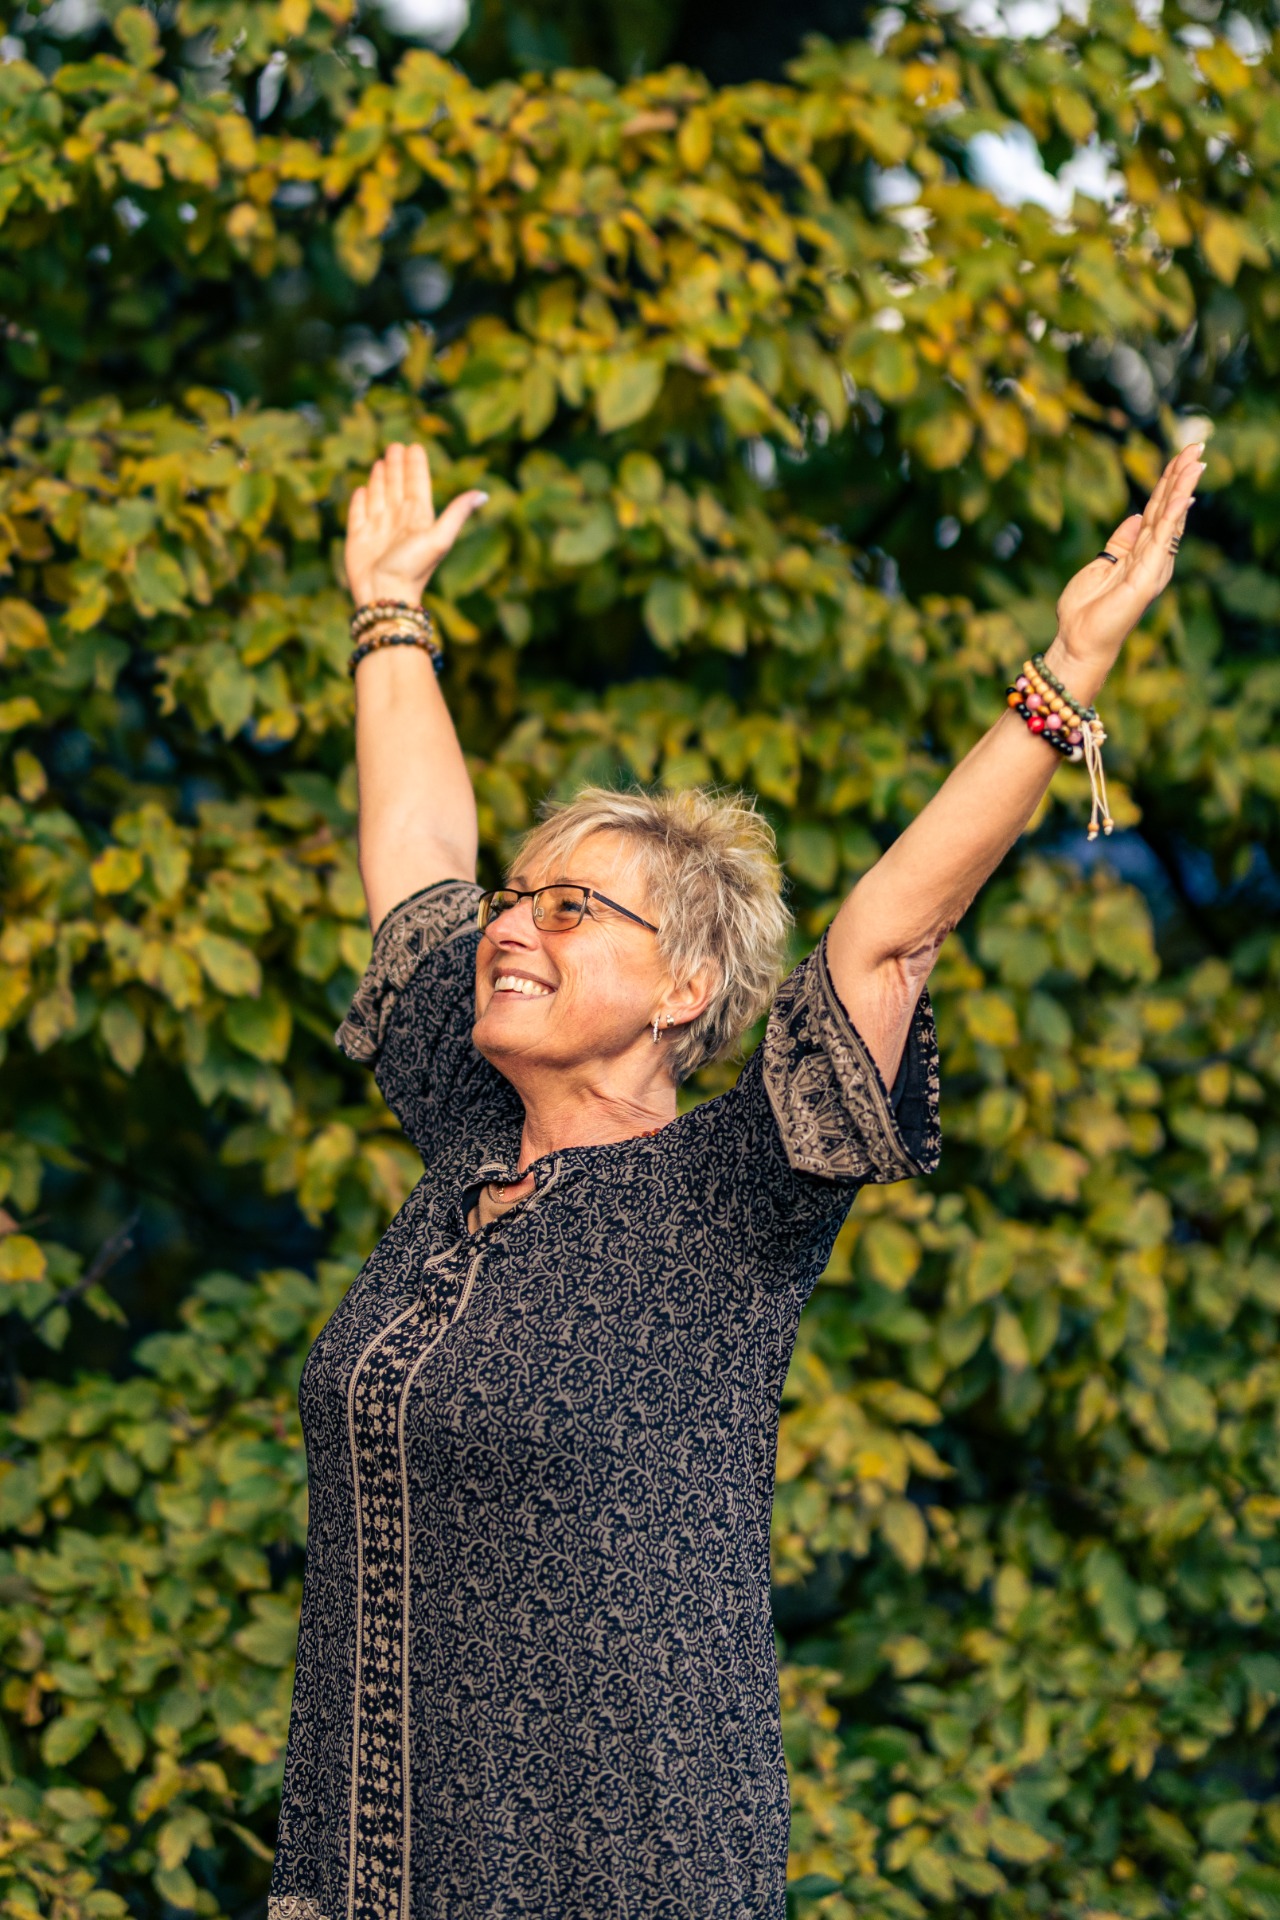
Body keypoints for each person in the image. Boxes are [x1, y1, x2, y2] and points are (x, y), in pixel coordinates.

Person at [268, 439, 1202, 1920]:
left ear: (684, 988)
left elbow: (890, 936)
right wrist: (389, 613)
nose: (513, 927)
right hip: (371, 1874)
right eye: (519, 898)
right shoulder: (465, 1131)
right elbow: (421, 857)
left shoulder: (732, 1196)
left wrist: (1065, 677)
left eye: (573, 910)